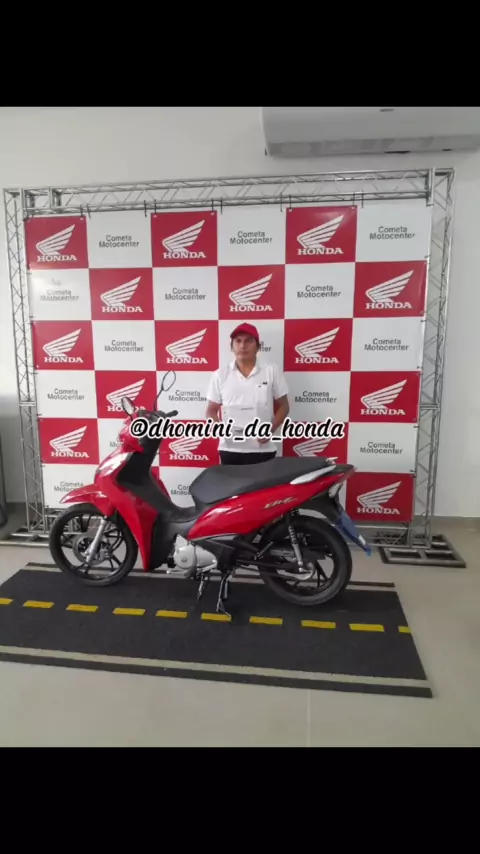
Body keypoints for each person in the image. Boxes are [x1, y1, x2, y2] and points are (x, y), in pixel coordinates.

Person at [205, 322, 290, 465]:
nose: (243, 346)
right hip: (230, 449)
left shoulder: (271, 371)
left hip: (263, 450)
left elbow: (284, 406)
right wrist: (218, 428)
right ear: (231, 347)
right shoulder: (220, 375)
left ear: (258, 347)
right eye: (238, 341)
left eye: (249, 341)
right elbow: (211, 410)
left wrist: (271, 428)